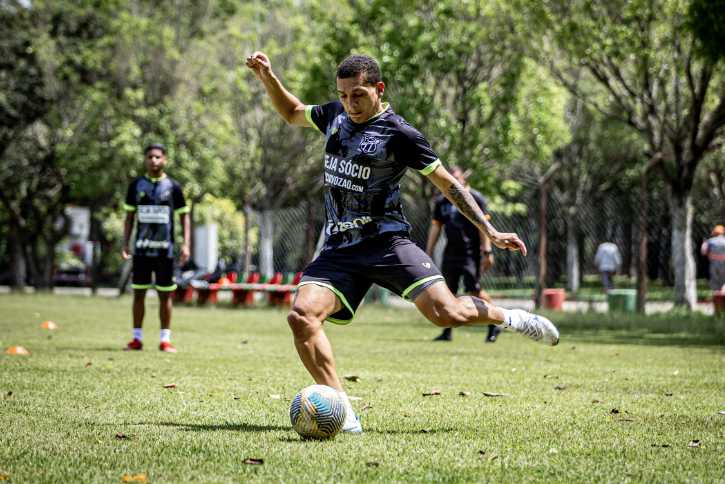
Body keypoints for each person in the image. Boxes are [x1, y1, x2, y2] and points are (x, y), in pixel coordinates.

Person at [245, 52, 559, 434]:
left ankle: (510, 318)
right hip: (340, 248)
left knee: (448, 315)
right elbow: (292, 111)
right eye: (343, 95)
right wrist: (268, 78)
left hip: (388, 243)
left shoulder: (400, 133)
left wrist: (489, 230)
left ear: (378, 89)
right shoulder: (334, 117)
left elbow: (447, 183)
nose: (350, 104)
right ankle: (343, 412)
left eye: (358, 94)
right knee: (301, 317)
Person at [121, 143, 191, 353]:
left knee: (165, 296)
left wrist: (186, 244)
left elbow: (184, 215)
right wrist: (125, 242)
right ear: (145, 160)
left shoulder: (173, 186)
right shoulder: (136, 186)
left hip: (165, 252)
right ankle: (136, 339)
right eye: (150, 157)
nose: (154, 160)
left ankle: (165, 340)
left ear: (164, 160)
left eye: (157, 157)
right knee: (139, 295)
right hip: (142, 251)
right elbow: (129, 217)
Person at [426, 166, 501, 343]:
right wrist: (427, 252)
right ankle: (446, 332)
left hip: (471, 254)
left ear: (463, 179)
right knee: (447, 294)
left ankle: (495, 323)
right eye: (450, 179)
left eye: (457, 178)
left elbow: (484, 227)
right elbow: (436, 227)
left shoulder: (475, 198)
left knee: (473, 291)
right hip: (450, 254)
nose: (453, 182)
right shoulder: (442, 201)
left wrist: (487, 251)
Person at [701, 225, 725, 291]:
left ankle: (715, 296)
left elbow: (704, 252)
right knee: (724, 281)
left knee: (714, 281)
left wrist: (704, 244)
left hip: (713, 263)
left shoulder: (711, 241)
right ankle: (723, 294)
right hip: (724, 263)